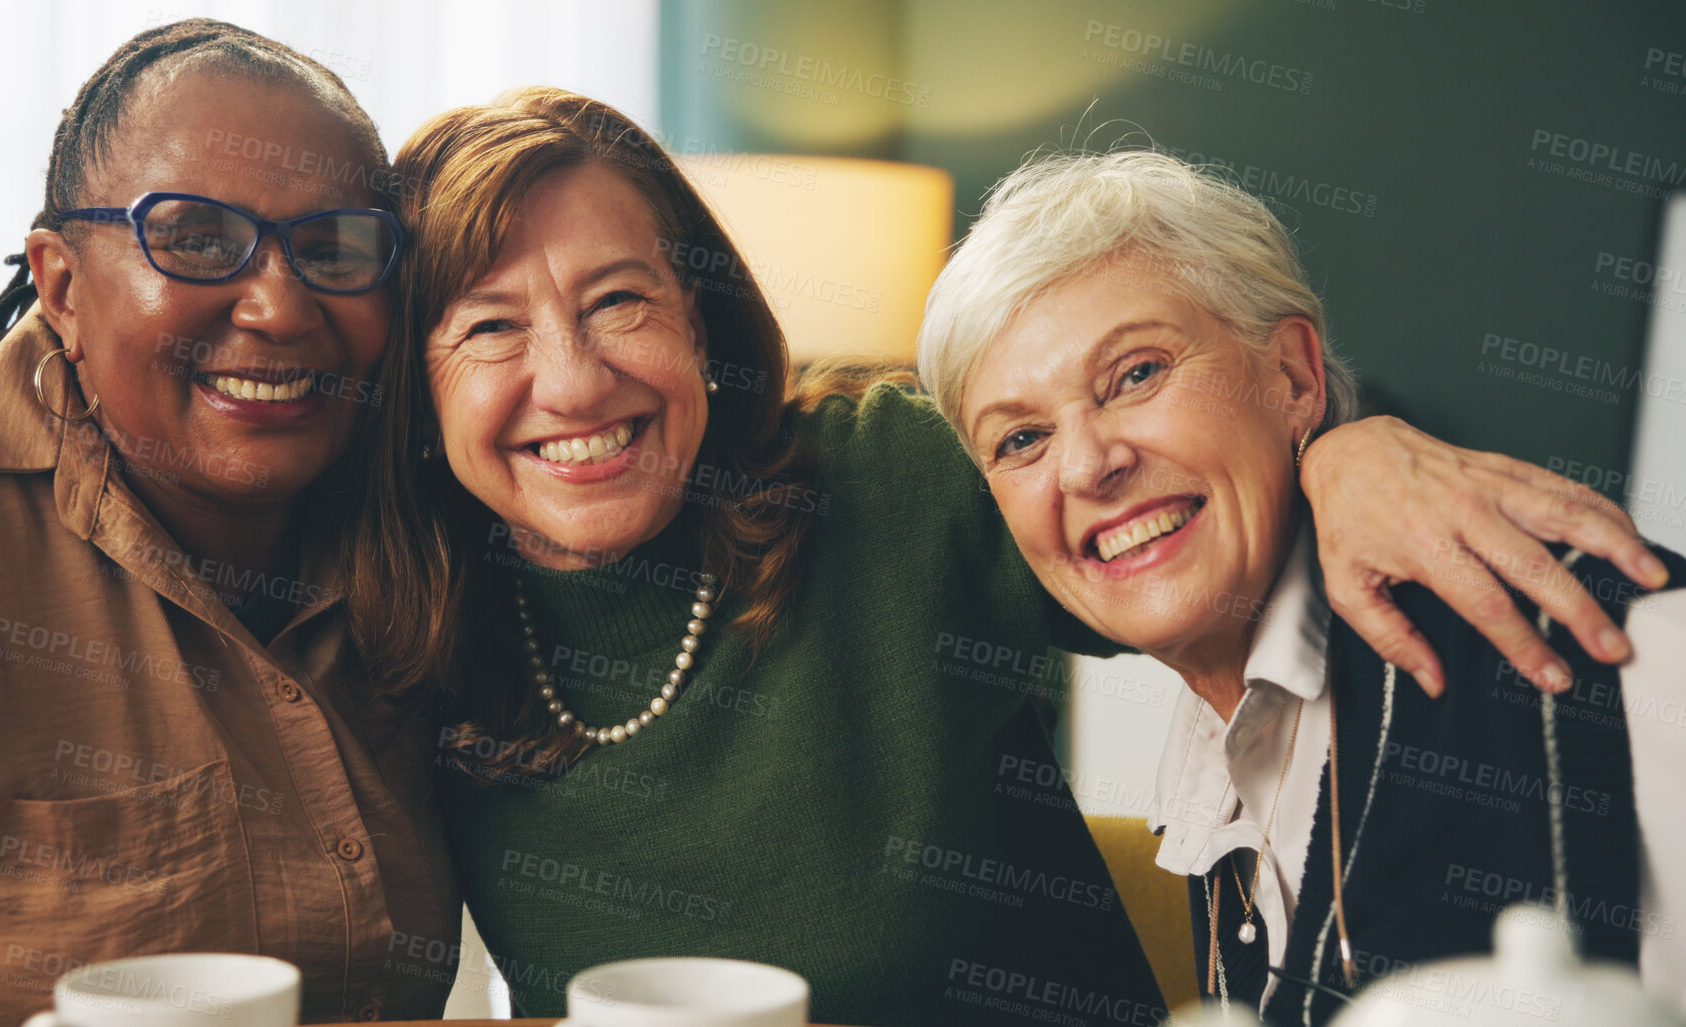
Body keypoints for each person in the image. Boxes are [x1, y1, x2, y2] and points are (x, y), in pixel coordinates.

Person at [346, 88, 1664, 1026]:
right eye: (487, 326)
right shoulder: (398, 631)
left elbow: (1182, 478)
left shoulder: (883, 475)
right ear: (412, 380)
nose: (569, 378)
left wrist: (1349, 447)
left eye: (619, 297)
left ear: (700, 316)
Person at [0, 20, 455, 1026]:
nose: (282, 310)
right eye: (198, 240)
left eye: (335, 249)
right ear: (61, 287)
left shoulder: (423, 537)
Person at [918, 149, 1686, 1024]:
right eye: (1019, 440)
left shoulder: (1628, 655)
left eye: (1136, 374)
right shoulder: (1208, 776)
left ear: (1291, 378)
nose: (1089, 465)